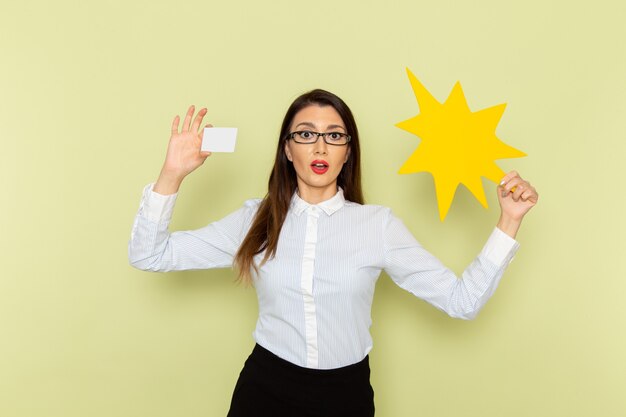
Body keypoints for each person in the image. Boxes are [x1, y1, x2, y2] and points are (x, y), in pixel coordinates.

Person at [128, 89, 538, 417]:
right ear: (288, 150)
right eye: (305, 134)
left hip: (345, 396)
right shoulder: (255, 219)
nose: (320, 147)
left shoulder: (377, 226)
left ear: (348, 151)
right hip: (265, 390)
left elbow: (461, 301)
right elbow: (150, 254)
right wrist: (171, 175)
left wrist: (509, 221)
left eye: (334, 135)